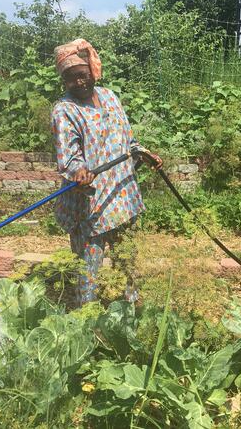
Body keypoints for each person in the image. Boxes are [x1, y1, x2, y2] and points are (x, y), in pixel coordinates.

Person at [51, 38, 163, 306]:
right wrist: (78, 172)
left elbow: (126, 140)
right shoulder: (64, 110)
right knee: (88, 269)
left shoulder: (110, 97)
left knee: (128, 261)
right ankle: (84, 322)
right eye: (70, 78)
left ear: (91, 70)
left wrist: (144, 153)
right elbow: (68, 159)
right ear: (64, 81)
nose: (79, 82)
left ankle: (131, 310)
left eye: (82, 75)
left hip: (123, 195)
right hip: (91, 204)